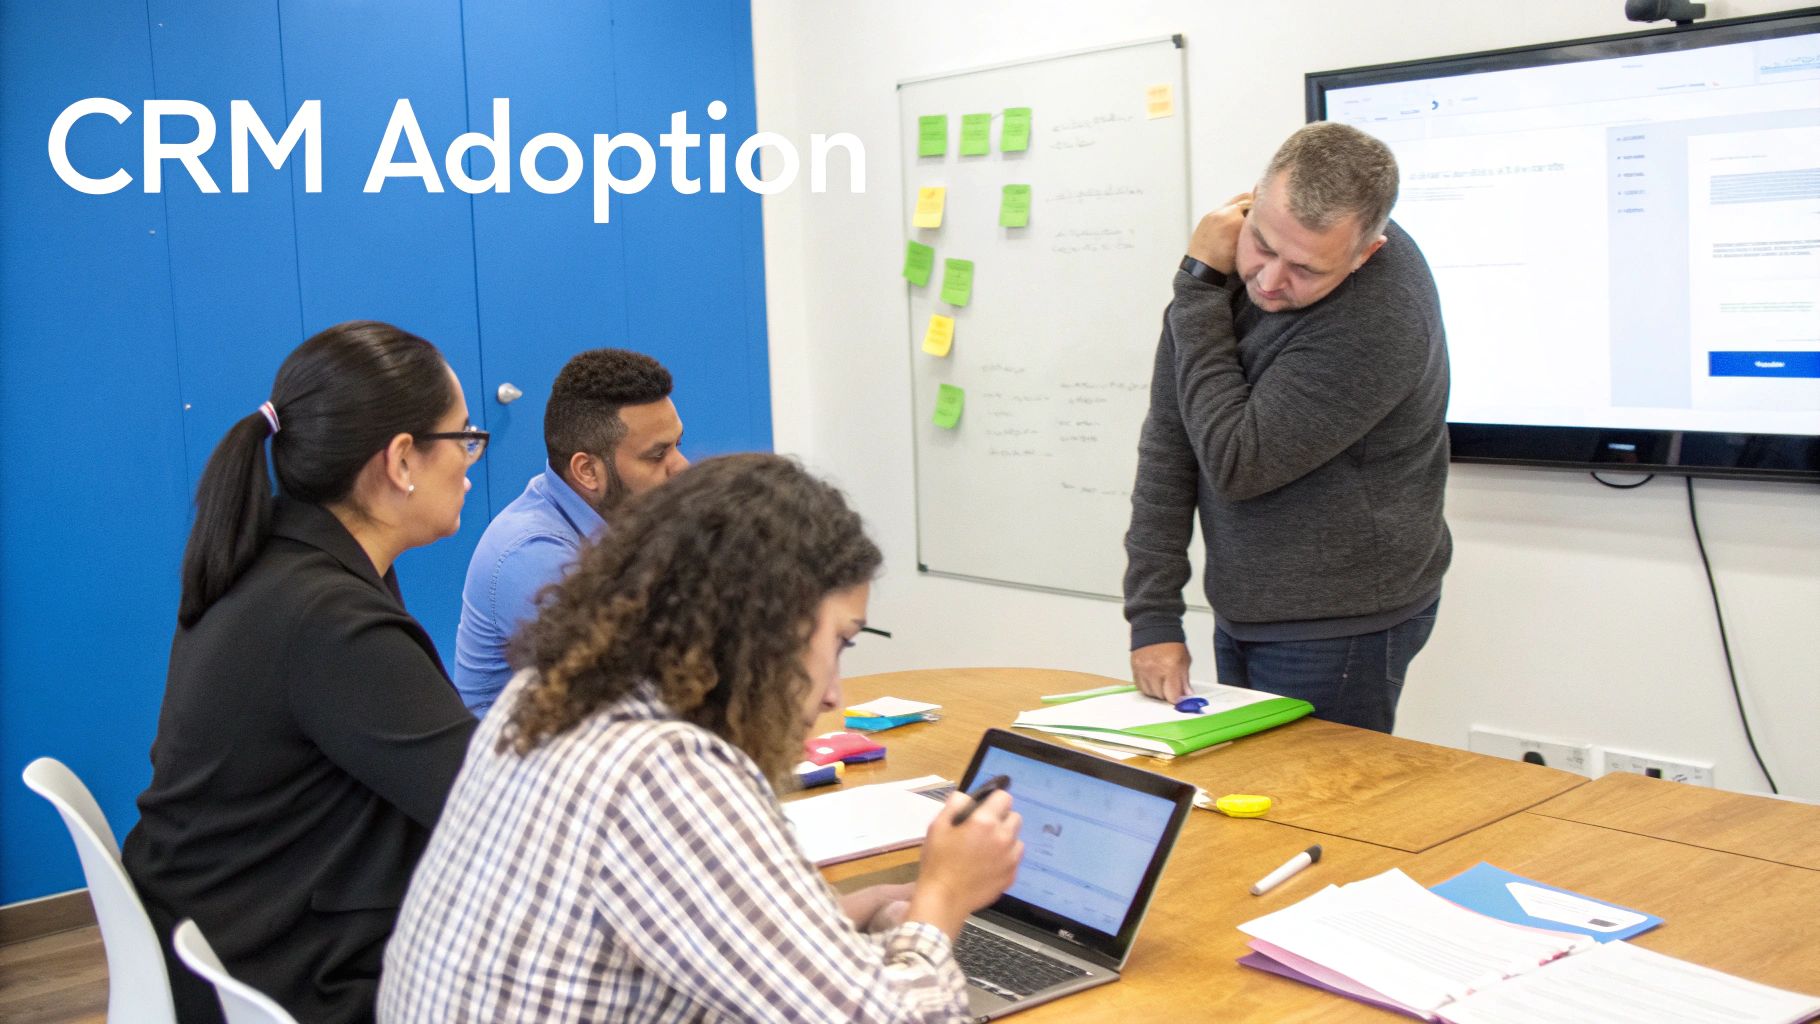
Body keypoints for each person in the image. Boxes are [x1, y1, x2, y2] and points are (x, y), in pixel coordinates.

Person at [380, 454, 1024, 1023]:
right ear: (767, 629)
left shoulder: (551, 696)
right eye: (839, 642)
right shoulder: (664, 772)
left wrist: (838, 921)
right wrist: (943, 896)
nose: (835, 694)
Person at [122, 321, 484, 1023]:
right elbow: (491, 810)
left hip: (231, 923)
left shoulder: (277, 560)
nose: (471, 461)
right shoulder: (329, 620)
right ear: (402, 460)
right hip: (291, 968)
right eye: (463, 437)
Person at [1124, 122, 1451, 733]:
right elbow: (1172, 438)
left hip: (1342, 622)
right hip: (1250, 604)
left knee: (1324, 815)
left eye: (1306, 269)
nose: (1270, 281)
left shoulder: (1378, 321)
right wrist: (1154, 617)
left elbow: (1234, 461)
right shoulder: (1227, 263)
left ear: (1365, 252)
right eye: (1263, 245)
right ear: (1250, 203)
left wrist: (1197, 288)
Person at [453, 347, 687, 714]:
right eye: (657, 455)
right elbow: (637, 697)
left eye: (678, 445)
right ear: (587, 471)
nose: (681, 467)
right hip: (529, 764)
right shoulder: (533, 553)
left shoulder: (630, 520)